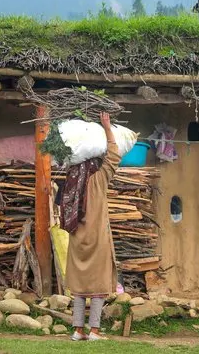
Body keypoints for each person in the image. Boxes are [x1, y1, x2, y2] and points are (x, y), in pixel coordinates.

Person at [63, 112, 121, 342]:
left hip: (78, 240)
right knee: (98, 284)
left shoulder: (70, 183)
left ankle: (77, 330)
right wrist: (107, 127)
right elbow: (114, 155)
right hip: (97, 239)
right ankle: (94, 331)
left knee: (79, 286)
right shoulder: (98, 180)